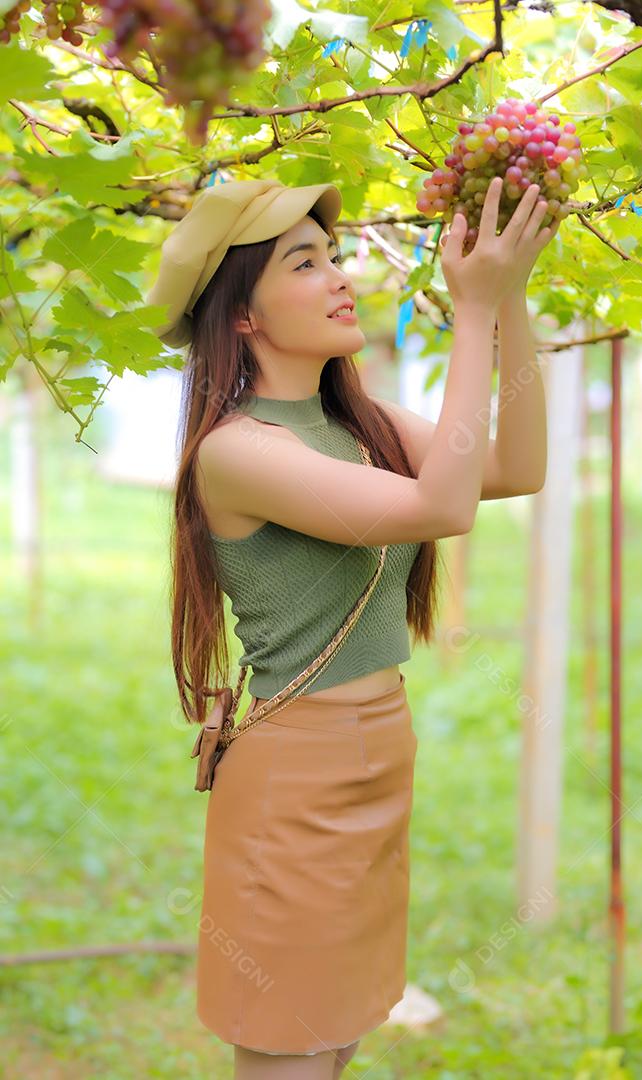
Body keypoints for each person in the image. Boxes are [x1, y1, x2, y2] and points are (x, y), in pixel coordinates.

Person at [147, 176, 557, 1078]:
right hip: (297, 780)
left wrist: (510, 296)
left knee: (336, 1038)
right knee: (291, 1046)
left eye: (332, 256)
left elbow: (518, 467)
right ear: (242, 315)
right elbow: (443, 507)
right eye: (304, 263)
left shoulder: (356, 425)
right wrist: (472, 309)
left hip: (379, 754)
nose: (340, 277)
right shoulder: (239, 451)